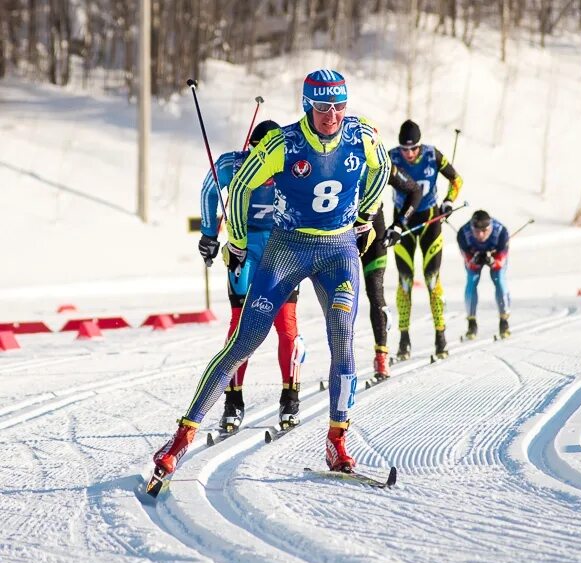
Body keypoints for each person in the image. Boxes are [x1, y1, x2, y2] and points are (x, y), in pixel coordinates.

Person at [152, 69, 389, 480]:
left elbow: (381, 168)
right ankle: (181, 438)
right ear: (307, 105)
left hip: (338, 252)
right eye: (321, 107)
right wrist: (238, 242)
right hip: (287, 247)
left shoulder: (361, 134)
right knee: (247, 338)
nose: (331, 115)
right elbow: (240, 186)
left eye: (338, 106)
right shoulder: (284, 142)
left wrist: (365, 216)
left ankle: (337, 441)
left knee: (342, 335)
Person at [197, 119, 301, 433]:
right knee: (241, 322)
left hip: (283, 250)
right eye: (257, 151)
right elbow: (208, 188)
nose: (262, 159)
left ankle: (290, 395)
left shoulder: (292, 164)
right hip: (245, 251)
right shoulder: (235, 164)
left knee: (285, 325)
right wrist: (208, 234)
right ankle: (233, 399)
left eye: (269, 152)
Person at [385, 119, 463, 361]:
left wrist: (449, 201)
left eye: (413, 148)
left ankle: (441, 337)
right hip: (403, 224)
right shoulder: (391, 157)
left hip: (430, 221)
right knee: (405, 281)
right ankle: (404, 340)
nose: (409, 154)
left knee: (431, 280)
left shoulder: (432, 155)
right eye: (405, 149)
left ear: (420, 145)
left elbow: (456, 180)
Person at [359, 164, 422, 382]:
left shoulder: (380, 162)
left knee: (375, 294)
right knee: (341, 300)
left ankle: (382, 358)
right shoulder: (333, 153)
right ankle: (341, 363)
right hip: (342, 237)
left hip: (375, 233)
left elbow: (415, 190)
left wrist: (399, 225)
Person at [457, 210, 511, 340]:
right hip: (474, 255)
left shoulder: (501, 232)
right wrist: (474, 260)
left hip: (495, 255)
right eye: (476, 231)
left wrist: (492, 261)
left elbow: (501, 260)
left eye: (485, 231)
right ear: (471, 228)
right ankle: (471, 322)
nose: (480, 235)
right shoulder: (463, 234)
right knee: (472, 280)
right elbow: (468, 261)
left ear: (490, 227)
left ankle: (504, 320)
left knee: (499, 279)